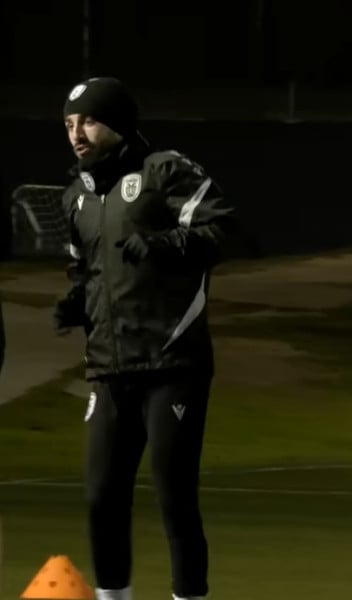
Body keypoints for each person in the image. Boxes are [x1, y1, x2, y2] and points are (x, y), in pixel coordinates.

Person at [56, 77, 238, 600]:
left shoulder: (165, 171)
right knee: (101, 497)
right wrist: (76, 302)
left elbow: (224, 229)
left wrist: (163, 244)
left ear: (118, 122)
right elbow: (86, 269)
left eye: (89, 121)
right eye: (69, 124)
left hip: (172, 361)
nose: (77, 134)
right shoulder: (75, 197)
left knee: (174, 496)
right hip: (108, 367)